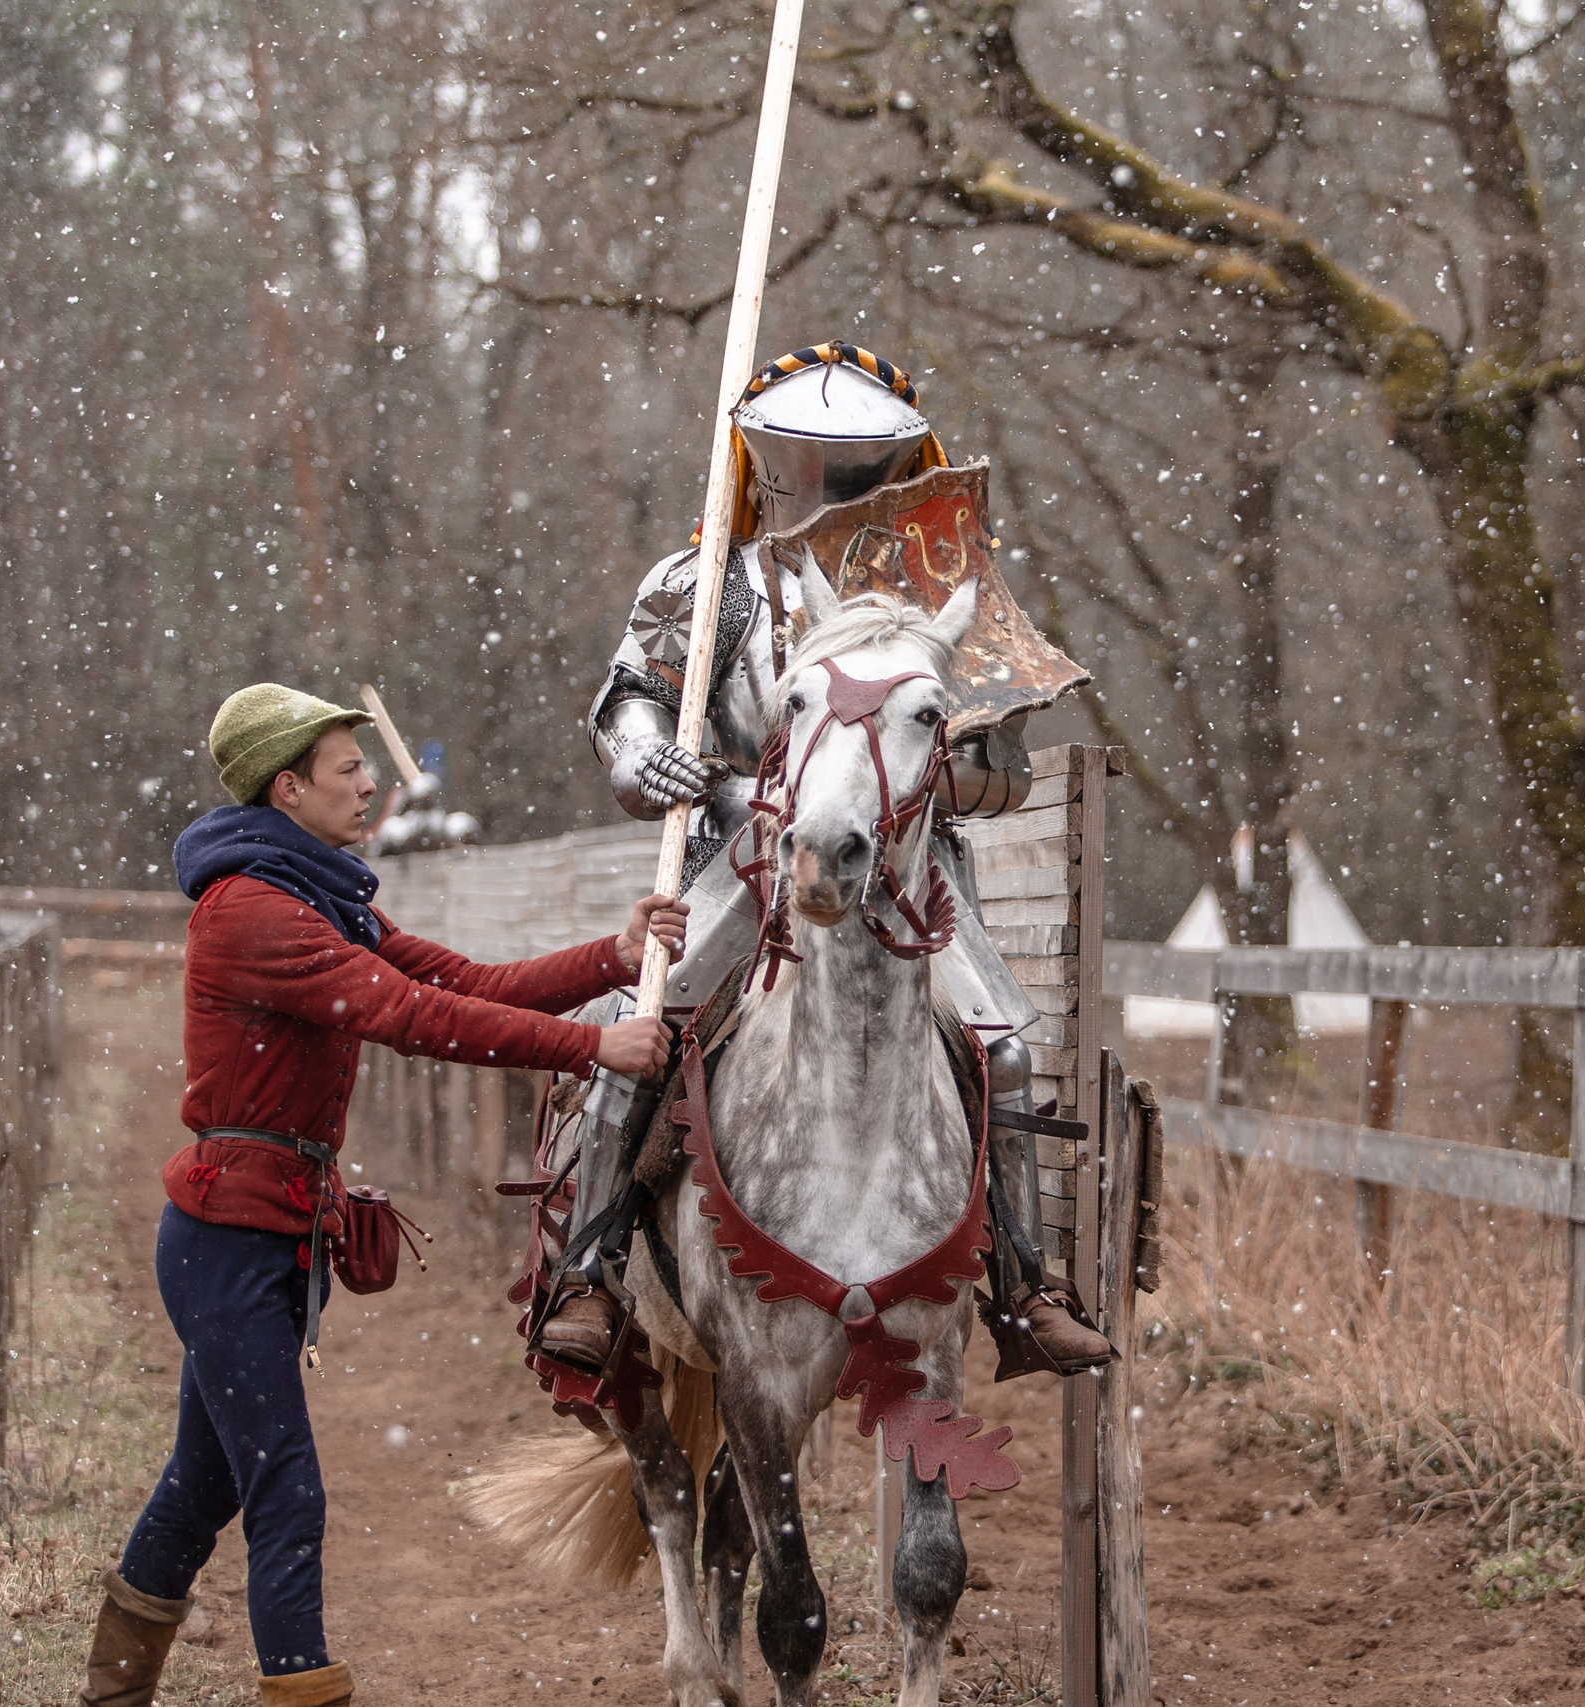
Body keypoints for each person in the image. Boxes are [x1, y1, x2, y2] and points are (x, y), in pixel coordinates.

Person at [75, 683, 687, 1707]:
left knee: (207, 1480)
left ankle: (110, 1691)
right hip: (227, 1246)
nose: (371, 783)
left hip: (274, 1235)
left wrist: (610, 961)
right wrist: (596, 1048)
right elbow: (414, 1017)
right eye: (347, 768)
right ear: (288, 788)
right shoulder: (253, 916)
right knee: (285, 1489)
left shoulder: (322, 895)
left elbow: (458, 980)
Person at [534, 340, 1111, 1381]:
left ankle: (1026, 1283)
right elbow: (632, 698)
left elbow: (1003, 769)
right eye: (806, 456)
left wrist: (930, 780)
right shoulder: (704, 582)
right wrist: (645, 756)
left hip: (908, 875)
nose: (827, 480)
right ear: (762, 455)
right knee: (636, 1033)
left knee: (1007, 1049)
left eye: (854, 462)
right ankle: (590, 1268)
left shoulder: (941, 594)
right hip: (741, 857)